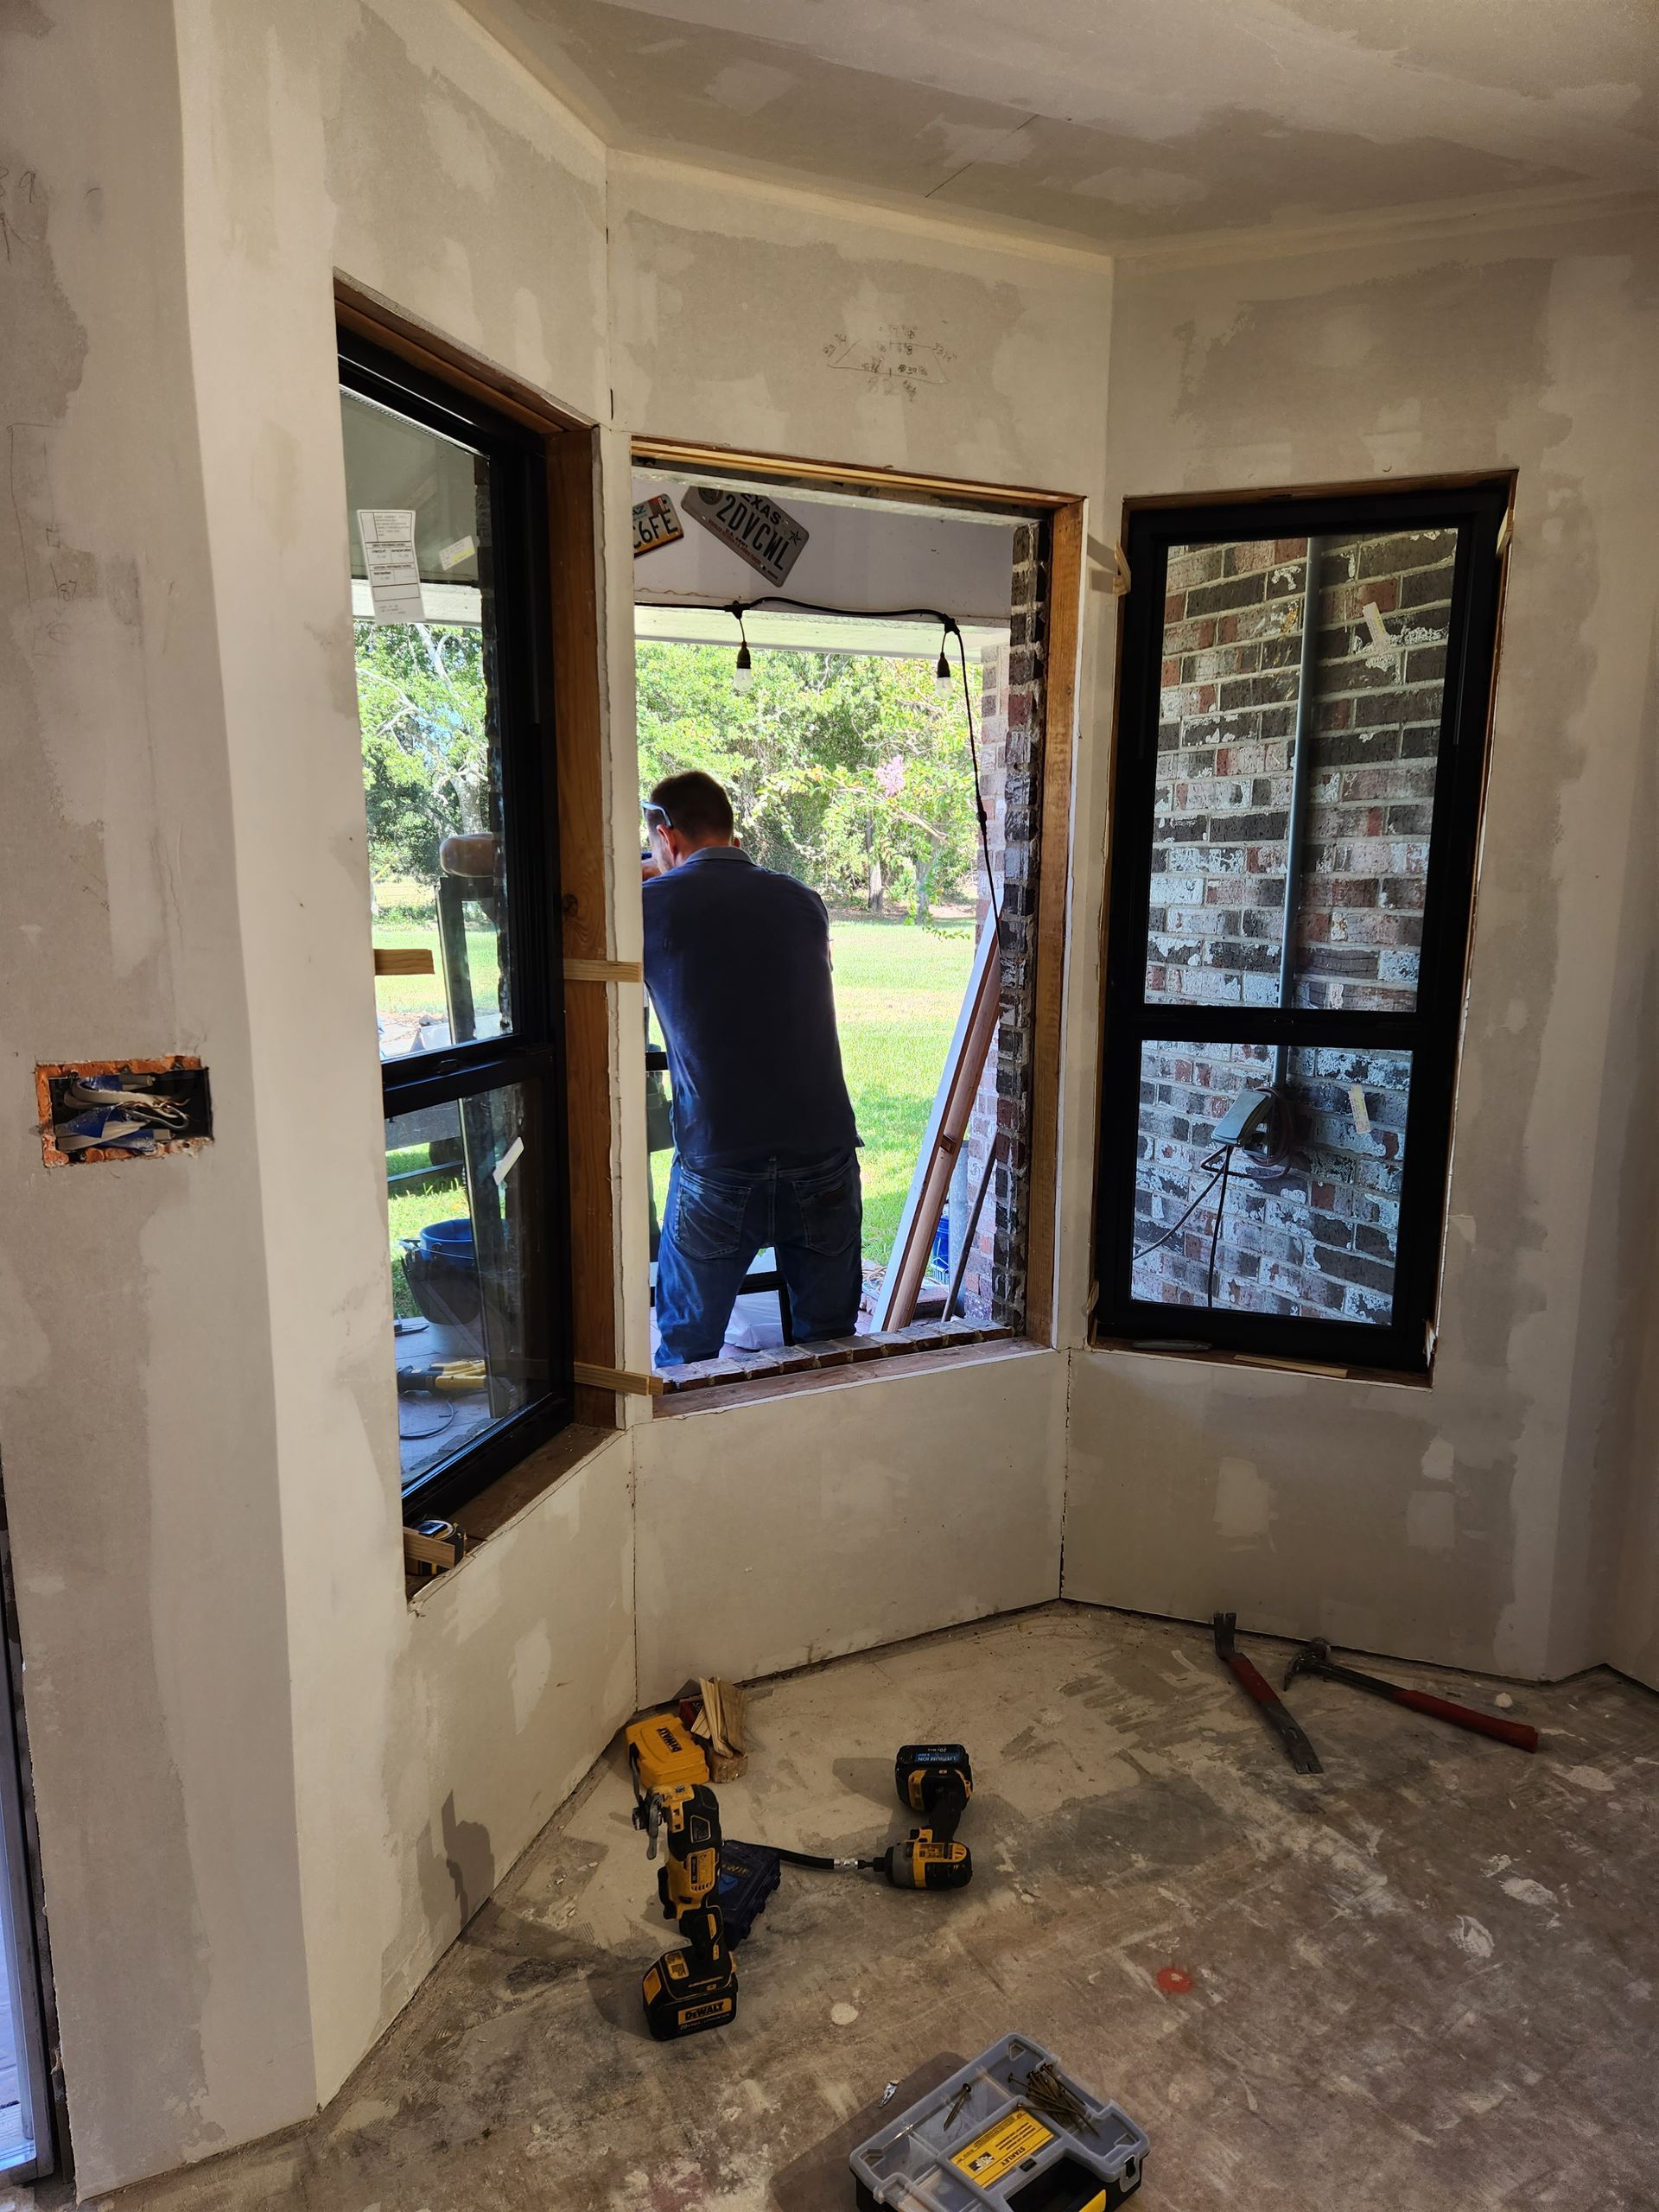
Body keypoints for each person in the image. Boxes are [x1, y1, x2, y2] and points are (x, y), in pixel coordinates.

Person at [641, 769, 862, 1365]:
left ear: (665, 833)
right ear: (732, 834)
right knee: (831, 1343)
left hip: (721, 1158)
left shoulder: (645, 905)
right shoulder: (801, 900)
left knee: (689, 1352)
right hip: (824, 1152)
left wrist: (651, 876)